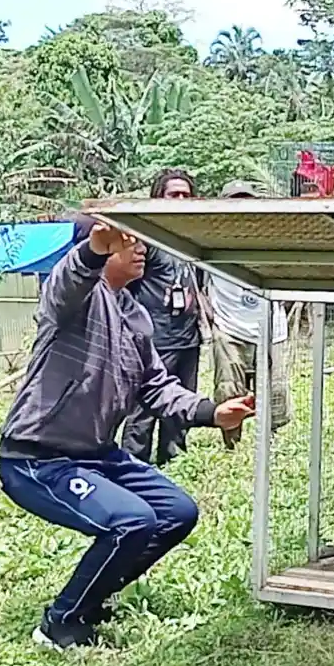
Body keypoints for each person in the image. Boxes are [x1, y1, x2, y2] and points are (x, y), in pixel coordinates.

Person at [0, 217, 255, 650]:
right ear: (101, 247)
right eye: (129, 242)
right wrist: (94, 248)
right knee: (131, 521)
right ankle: (60, 624)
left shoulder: (133, 313)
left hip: (95, 453)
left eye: (142, 244)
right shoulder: (73, 300)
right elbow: (68, 280)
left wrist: (213, 413)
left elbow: (156, 386)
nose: (140, 251)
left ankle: (92, 596)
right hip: (37, 457)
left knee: (176, 511)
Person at [121, 169, 204, 466]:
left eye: (186, 194)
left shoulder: (195, 239)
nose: (180, 200)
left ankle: (175, 462)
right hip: (154, 340)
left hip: (188, 338)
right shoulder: (147, 241)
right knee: (144, 407)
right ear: (158, 198)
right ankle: (134, 466)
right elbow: (125, 285)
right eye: (174, 194)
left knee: (181, 403)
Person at [207, 181, 293, 447]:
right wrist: (206, 313)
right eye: (234, 201)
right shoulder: (209, 237)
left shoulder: (271, 237)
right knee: (229, 389)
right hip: (229, 327)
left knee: (275, 388)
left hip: (270, 327)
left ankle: (271, 441)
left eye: (246, 200)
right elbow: (195, 279)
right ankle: (231, 443)